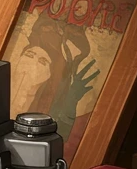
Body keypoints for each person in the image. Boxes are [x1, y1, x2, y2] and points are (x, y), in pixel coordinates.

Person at [10, 18, 99, 159]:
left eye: (42, 61)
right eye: (30, 55)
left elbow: (58, 142)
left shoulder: (48, 109)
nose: (32, 64)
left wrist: (70, 107)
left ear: (49, 74)